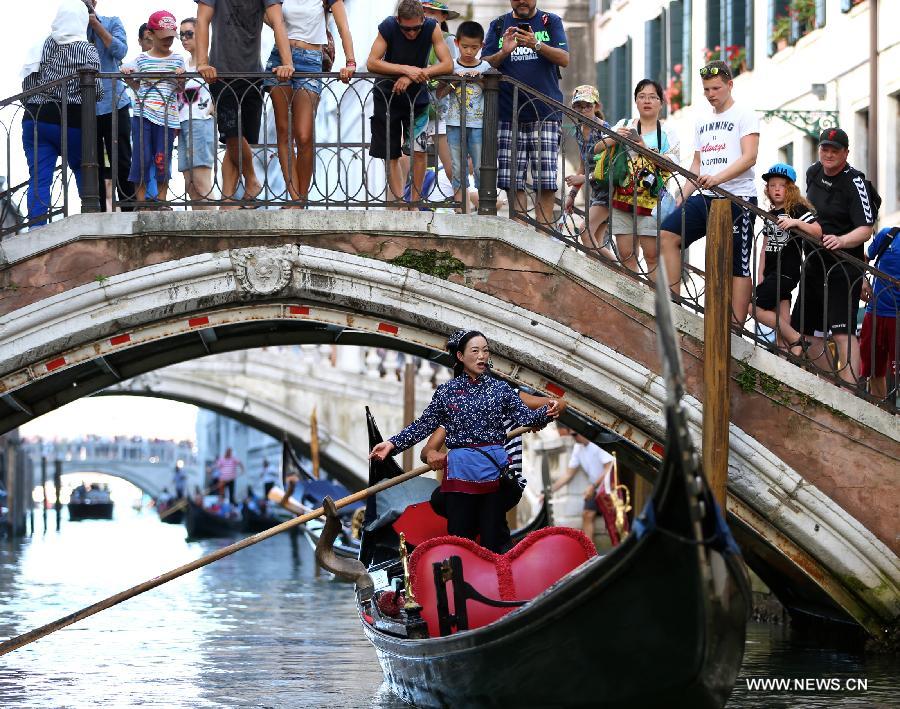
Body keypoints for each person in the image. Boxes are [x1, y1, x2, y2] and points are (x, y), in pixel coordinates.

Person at [369, 329, 554, 553]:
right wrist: (392, 443)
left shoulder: (501, 389)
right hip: (460, 476)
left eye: (485, 351)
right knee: (460, 541)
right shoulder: (447, 392)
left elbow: (525, 418)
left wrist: (547, 413)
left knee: (495, 541)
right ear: (460, 356)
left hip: (492, 476)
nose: (482, 356)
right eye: (475, 351)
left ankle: (499, 583)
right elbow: (424, 424)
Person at [658, 60, 759, 325]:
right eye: (706, 90)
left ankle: (737, 326)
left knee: (739, 263)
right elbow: (697, 163)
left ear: (729, 85)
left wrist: (718, 179)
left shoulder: (744, 114)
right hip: (706, 196)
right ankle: (673, 304)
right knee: (668, 234)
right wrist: (684, 194)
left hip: (739, 198)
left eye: (716, 88)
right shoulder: (702, 119)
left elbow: (750, 158)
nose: (711, 94)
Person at [420, 387, 566, 549]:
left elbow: (558, 404)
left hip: (503, 481)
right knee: (440, 499)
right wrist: (431, 455)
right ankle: (468, 546)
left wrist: (540, 417)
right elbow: (426, 451)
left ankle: (490, 549)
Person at [792, 127, 880, 385]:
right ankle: (829, 384)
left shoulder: (855, 183)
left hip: (843, 267)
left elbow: (866, 229)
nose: (828, 154)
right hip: (814, 263)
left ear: (846, 153)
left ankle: (849, 391)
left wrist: (841, 240)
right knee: (807, 331)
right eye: (824, 149)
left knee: (842, 333)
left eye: (835, 150)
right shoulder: (813, 172)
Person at [194, 0, 294, 208]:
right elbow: (202, 20)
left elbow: (278, 22)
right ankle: (252, 179)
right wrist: (202, 62)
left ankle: (227, 201)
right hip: (221, 74)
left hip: (253, 74)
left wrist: (288, 63)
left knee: (241, 141)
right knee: (232, 135)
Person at [483, 0, 569, 228]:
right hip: (507, 113)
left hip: (545, 113)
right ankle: (520, 237)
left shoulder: (550, 21)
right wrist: (503, 52)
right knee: (513, 182)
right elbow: (483, 64)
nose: (522, 1)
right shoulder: (499, 24)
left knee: (546, 181)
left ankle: (543, 236)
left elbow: (565, 58)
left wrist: (536, 44)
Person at [264, 0, 356, 206]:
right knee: (283, 130)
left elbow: (343, 27)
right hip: (280, 58)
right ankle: (295, 197)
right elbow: (269, 17)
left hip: (310, 58)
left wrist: (350, 61)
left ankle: (301, 197)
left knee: (304, 135)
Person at [21, 0, 102, 227]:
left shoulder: (42, 45)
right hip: (72, 120)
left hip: (35, 119)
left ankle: (36, 226)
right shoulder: (86, 49)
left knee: (39, 177)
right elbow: (95, 91)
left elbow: (27, 85)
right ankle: (90, 221)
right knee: (82, 169)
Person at [366, 0, 452, 207]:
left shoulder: (432, 27)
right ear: (398, 21)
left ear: (423, 20)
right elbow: (372, 62)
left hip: (417, 98)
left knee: (420, 152)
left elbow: (447, 64)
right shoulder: (388, 26)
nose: (412, 33)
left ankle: (414, 203)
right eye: (406, 29)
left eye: (416, 28)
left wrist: (414, 76)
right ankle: (399, 203)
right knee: (391, 154)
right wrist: (406, 70)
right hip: (387, 96)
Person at [602, 79, 680, 274]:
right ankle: (632, 303)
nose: (647, 101)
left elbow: (673, 166)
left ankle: (653, 303)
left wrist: (643, 148)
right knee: (626, 254)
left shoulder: (668, 133)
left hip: (652, 203)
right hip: (622, 198)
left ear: (661, 103)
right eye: (642, 96)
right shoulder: (624, 124)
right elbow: (598, 149)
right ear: (635, 101)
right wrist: (614, 137)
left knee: (652, 255)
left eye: (653, 97)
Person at [749, 163, 821, 355]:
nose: (777, 189)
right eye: (772, 186)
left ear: (790, 188)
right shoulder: (770, 214)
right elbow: (764, 247)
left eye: (782, 185)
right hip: (771, 272)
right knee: (782, 313)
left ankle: (796, 339)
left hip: (786, 271)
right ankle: (785, 354)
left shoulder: (796, 209)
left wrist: (796, 222)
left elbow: (818, 231)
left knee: (752, 307)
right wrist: (760, 275)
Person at [123, 11, 185, 207]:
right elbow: (135, 86)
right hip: (143, 115)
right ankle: (140, 203)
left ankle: (161, 201)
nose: (168, 40)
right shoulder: (141, 59)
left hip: (167, 117)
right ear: (150, 34)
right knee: (141, 160)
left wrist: (181, 77)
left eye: (171, 36)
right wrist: (127, 76)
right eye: (164, 36)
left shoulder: (177, 59)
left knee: (162, 159)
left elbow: (180, 89)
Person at [84, 0, 135, 212]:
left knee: (122, 159)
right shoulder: (70, 29)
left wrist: (96, 25)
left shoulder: (112, 22)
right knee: (91, 164)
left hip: (115, 102)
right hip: (85, 106)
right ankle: (97, 213)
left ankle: (128, 211)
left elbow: (121, 51)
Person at [437, 20, 489, 213]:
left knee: (480, 166)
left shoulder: (485, 67)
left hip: (477, 124)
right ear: (457, 43)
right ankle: (461, 208)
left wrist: (480, 79)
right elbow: (440, 94)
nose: (469, 51)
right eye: (465, 46)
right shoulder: (451, 67)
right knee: (457, 166)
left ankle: (485, 206)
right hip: (454, 123)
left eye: (474, 47)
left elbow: (492, 91)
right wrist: (455, 82)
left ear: (481, 46)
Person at [563, 85, 610, 252]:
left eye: (587, 106)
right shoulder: (578, 130)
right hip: (595, 191)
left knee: (585, 231)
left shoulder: (604, 130)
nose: (583, 110)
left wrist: (582, 179)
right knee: (594, 243)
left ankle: (619, 270)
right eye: (579, 106)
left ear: (596, 107)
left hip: (609, 191)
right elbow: (583, 165)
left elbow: (608, 169)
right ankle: (605, 274)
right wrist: (572, 195)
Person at [549, 429, 615, 544]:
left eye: (575, 434)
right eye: (571, 435)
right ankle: (590, 552)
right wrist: (548, 491)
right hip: (594, 490)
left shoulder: (597, 445)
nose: (573, 438)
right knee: (586, 515)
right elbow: (568, 474)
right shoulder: (577, 448)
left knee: (610, 520)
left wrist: (593, 486)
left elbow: (609, 467)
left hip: (608, 488)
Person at [176, 17, 215, 209]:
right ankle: (201, 232)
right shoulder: (185, 64)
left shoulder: (210, 60)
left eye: (189, 33)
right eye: (181, 34)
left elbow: (223, 88)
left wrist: (212, 108)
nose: (184, 38)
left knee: (201, 182)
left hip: (200, 122)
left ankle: (215, 231)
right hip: (183, 122)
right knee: (190, 184)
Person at [421, 1, 460, 191]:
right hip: (417, 108)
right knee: (409, 164)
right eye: (423, 10)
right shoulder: (412, 38)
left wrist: (444, 89)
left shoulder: (449, 40)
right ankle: (403, 209)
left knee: (452, 167)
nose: (427, 14)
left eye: (432, 11)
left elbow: (456, 72)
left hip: (442, 111)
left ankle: (465, 213)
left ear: (443, 16)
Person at [860, 226, 899, 399]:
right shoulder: (889, 234)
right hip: (874, 313)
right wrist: (862, 281)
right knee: (873, 371)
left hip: (898, 318)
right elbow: (864, 258)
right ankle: (879, 414)